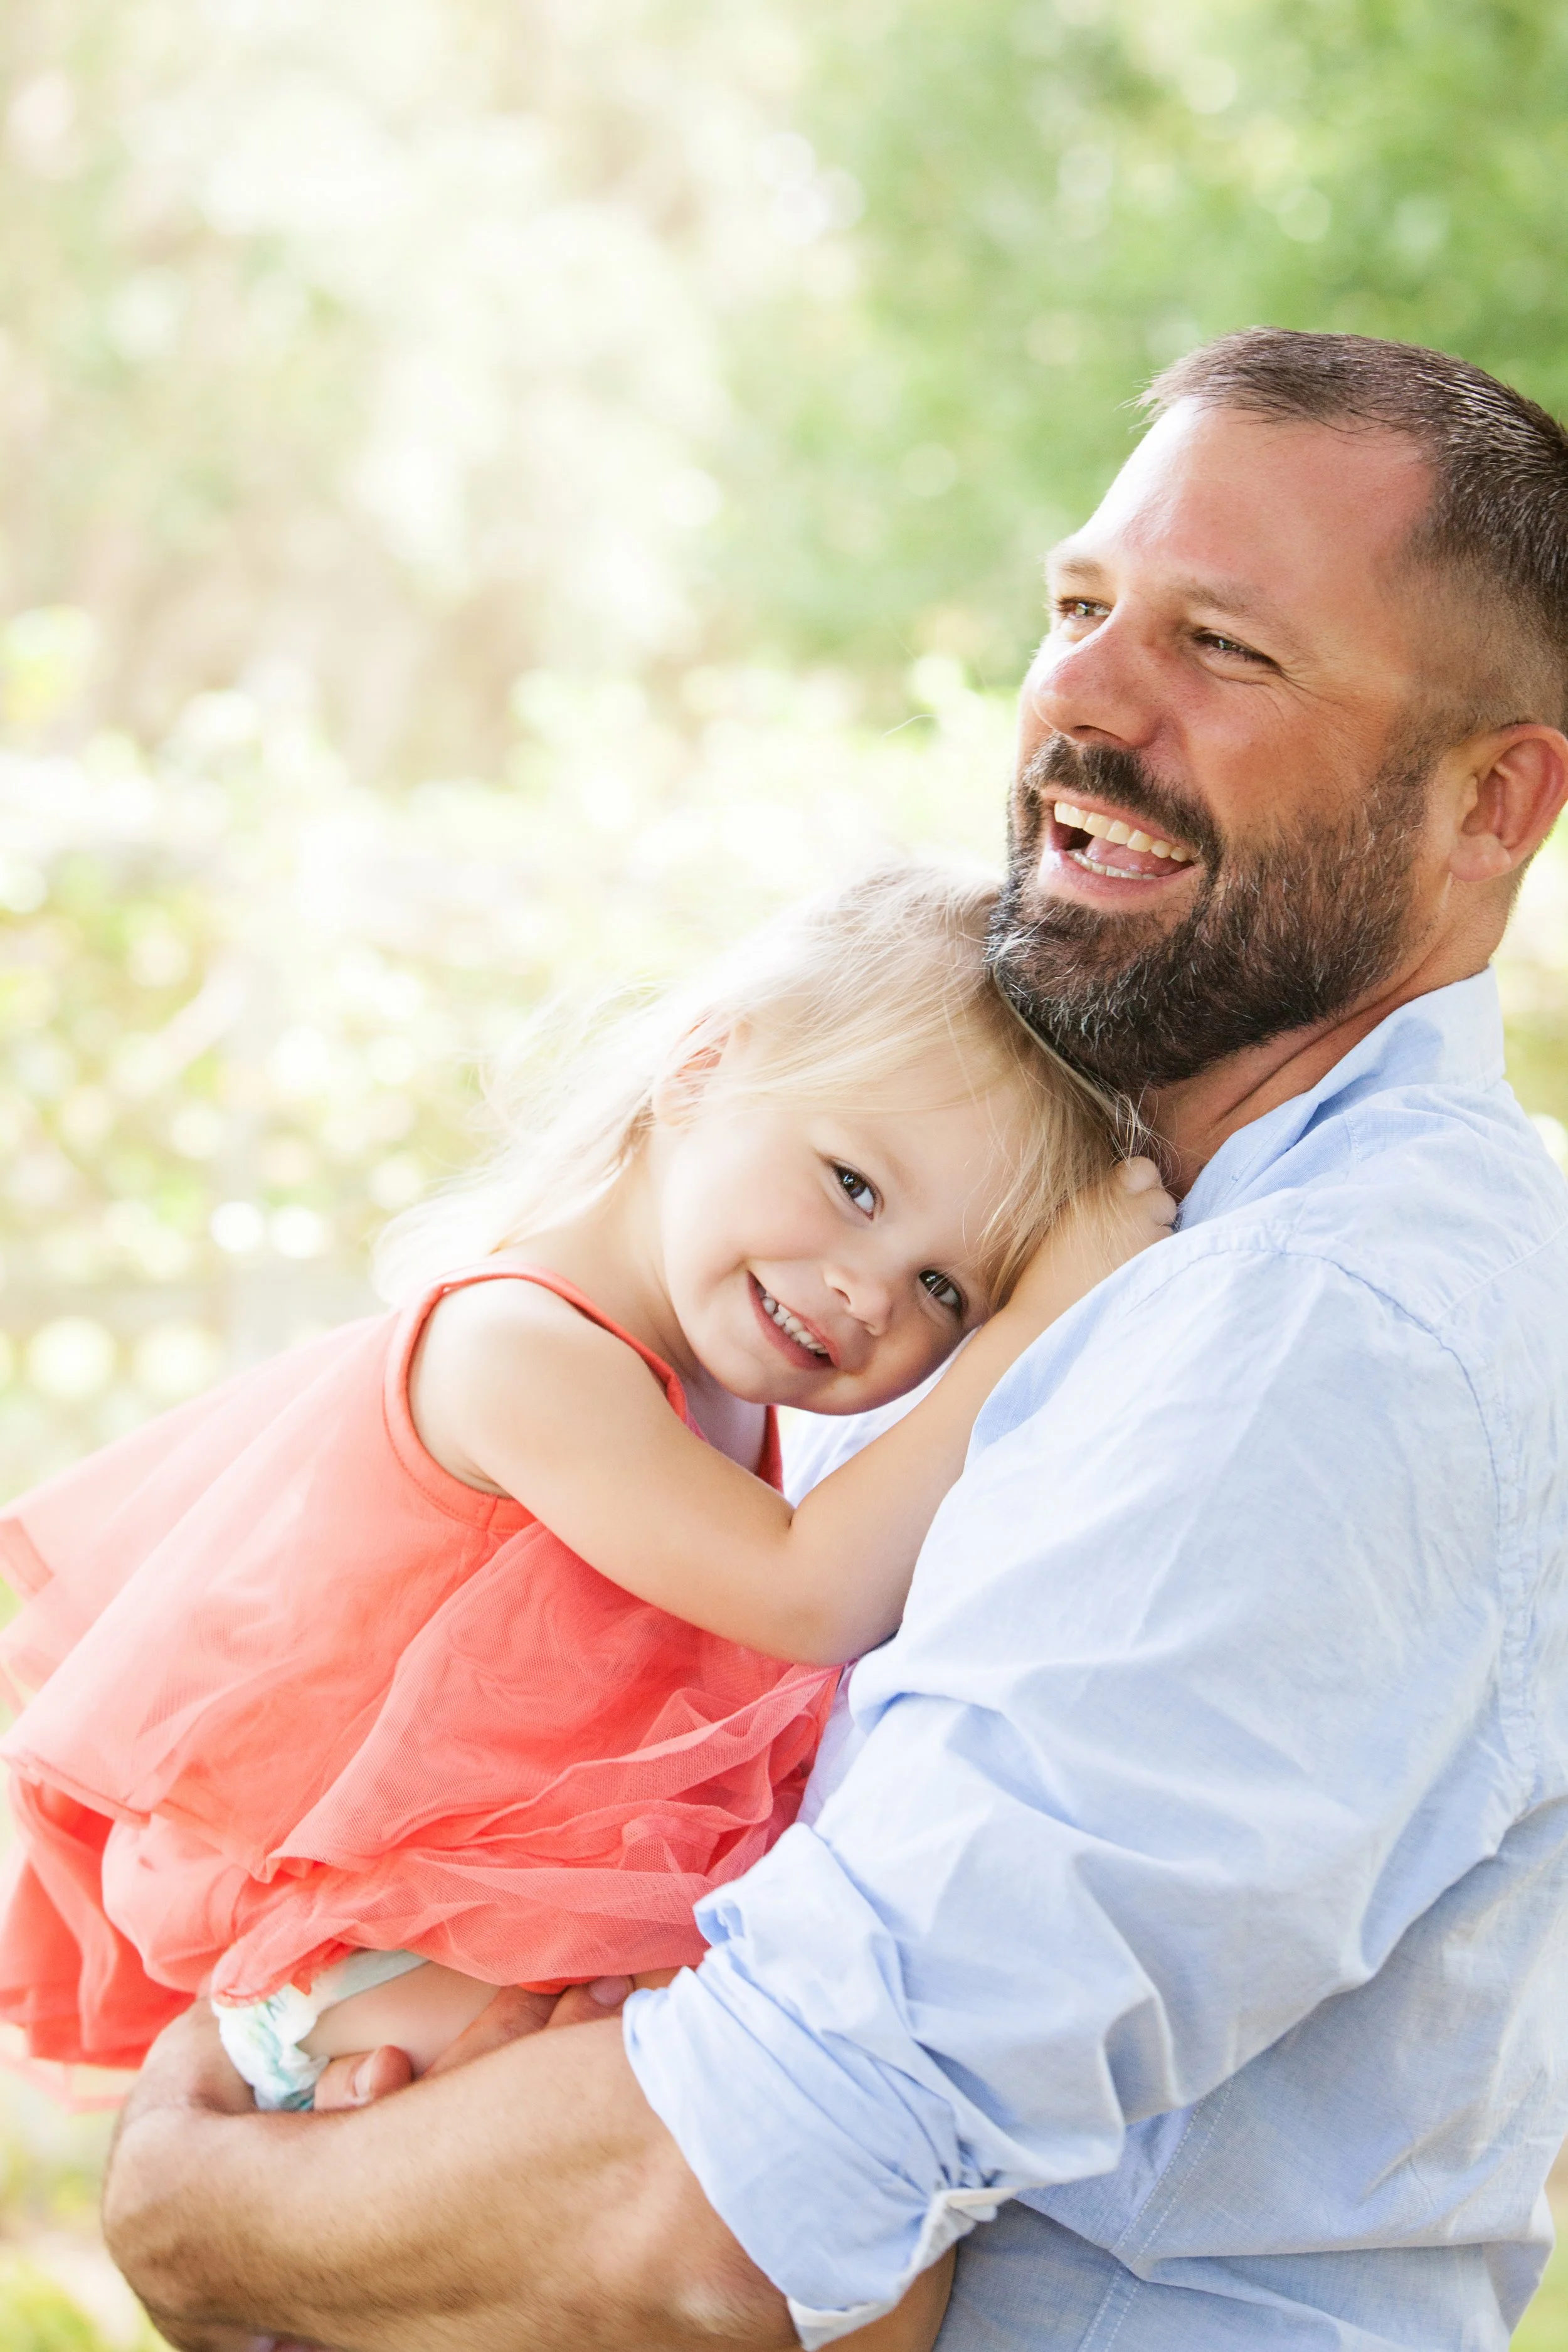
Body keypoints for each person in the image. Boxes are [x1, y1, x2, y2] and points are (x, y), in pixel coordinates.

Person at [101, 328, 1568, 2352]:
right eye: (1080, 607)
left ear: (1495, 801)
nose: (1087, 701)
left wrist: (207, 2215)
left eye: (1223, 647)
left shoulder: (1321, 1332)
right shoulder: (1138, 1218)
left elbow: (732, 2206)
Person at [0, 865, 1170, 2351]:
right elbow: (805, 1592)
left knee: (856, 2265)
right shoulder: (518, 1346)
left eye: (943, 1285)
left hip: (520, 1950)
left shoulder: (723, 1391)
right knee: (826, 2271)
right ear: (700, 1067)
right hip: (397, 1965)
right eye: (852, 1187)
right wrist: (1034, 1325)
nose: (869, 1288)